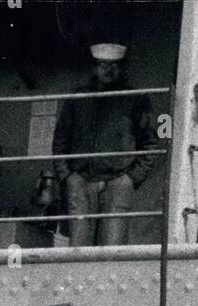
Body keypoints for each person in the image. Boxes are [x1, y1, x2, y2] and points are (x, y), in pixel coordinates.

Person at [53, 43, 159, 247]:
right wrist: (67, 175)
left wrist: (132, 178)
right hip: (81, 181)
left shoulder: (136, 99)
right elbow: (60, 140)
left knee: (113, 248)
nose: (108, 70)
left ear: (122, 68)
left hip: (118, 182)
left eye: (114, 65)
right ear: (94, 68)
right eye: (102, 64)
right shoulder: (77, 99)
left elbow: (151, 143)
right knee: (79, 249)